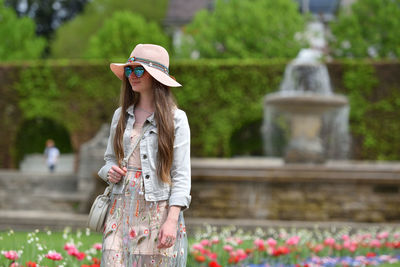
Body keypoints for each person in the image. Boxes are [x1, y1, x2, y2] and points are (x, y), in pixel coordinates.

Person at [97, 44, 191, 267]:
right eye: (129, 70)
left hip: (156, 211)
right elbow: (109, 159)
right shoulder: (120, 115)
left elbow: (181, 176)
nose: (132, 76)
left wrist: (171, 219)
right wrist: (109, 172)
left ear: (156, 76)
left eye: (139, 70)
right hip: (119, 209)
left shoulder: (176, 119)